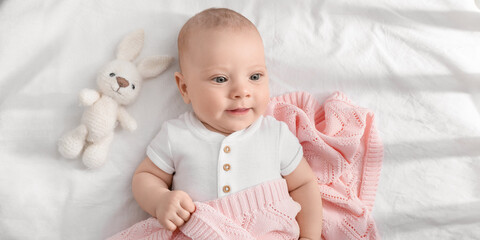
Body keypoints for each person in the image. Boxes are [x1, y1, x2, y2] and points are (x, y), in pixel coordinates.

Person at [131, 8, 323, 239]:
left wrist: (310, 236)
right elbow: (146, 177)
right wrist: (160, 200)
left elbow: (304, 184)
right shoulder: (177, 135)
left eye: (255, 77)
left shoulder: (274, 134)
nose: (242, 91)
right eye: (220, 79)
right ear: (185, 88)